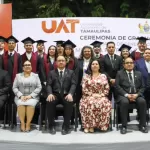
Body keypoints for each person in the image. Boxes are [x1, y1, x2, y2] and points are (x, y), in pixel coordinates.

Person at [115, 57, 148, 134]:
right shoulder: (119, 73)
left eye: (131, 63)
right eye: (127, 63)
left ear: (133, 64)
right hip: (123, 96)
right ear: (124, 65)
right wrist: (126, 95)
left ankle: (142, 125)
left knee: (142, 101)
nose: (129, 64)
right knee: (124, 102)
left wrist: (137, 94)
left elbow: (143, 86)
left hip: (136, 95)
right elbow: (117, 86)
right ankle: (124, 126)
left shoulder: (139, 73)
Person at [46, 56, 77, 135]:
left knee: (69, 102)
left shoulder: (71, 72)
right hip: (55, 94)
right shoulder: (51, 73)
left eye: (62, 60)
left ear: (65, 62)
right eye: (59, 60)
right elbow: (48, 85)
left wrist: (70, 94)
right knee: (50, 102)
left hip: (66, 94)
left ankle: (66, 126)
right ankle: (51, 126)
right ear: (56, 62)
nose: (61, 62)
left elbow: (73, 84)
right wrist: (49, 94)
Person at [80, 59, 112, 133]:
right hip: (88, 96)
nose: (95, 65)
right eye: (93, 64)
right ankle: (89, 126)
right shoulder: (86, 76)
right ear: (90, 66)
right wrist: (92, 94)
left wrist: (101, 95)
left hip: (101, 96)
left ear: (99, 66)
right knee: (89, 103)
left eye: (96, 64)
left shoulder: (103, 76)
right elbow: (84, 88)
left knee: (104, 103)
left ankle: (101, 125)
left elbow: (107, 88)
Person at [13, 60, 42, 132]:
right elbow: (14, 87)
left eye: (29, 65)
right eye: (25, 65)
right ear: (23, 68)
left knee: (30, 104)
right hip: (20, 97)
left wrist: (30, 96)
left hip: (32, 97)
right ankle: (22, 123)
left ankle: (28, 123)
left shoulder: (36, 76)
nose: (27, 66)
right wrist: (21, 96)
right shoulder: (18, 76)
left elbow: (39, 87)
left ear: (31, 67)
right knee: (21, 104)